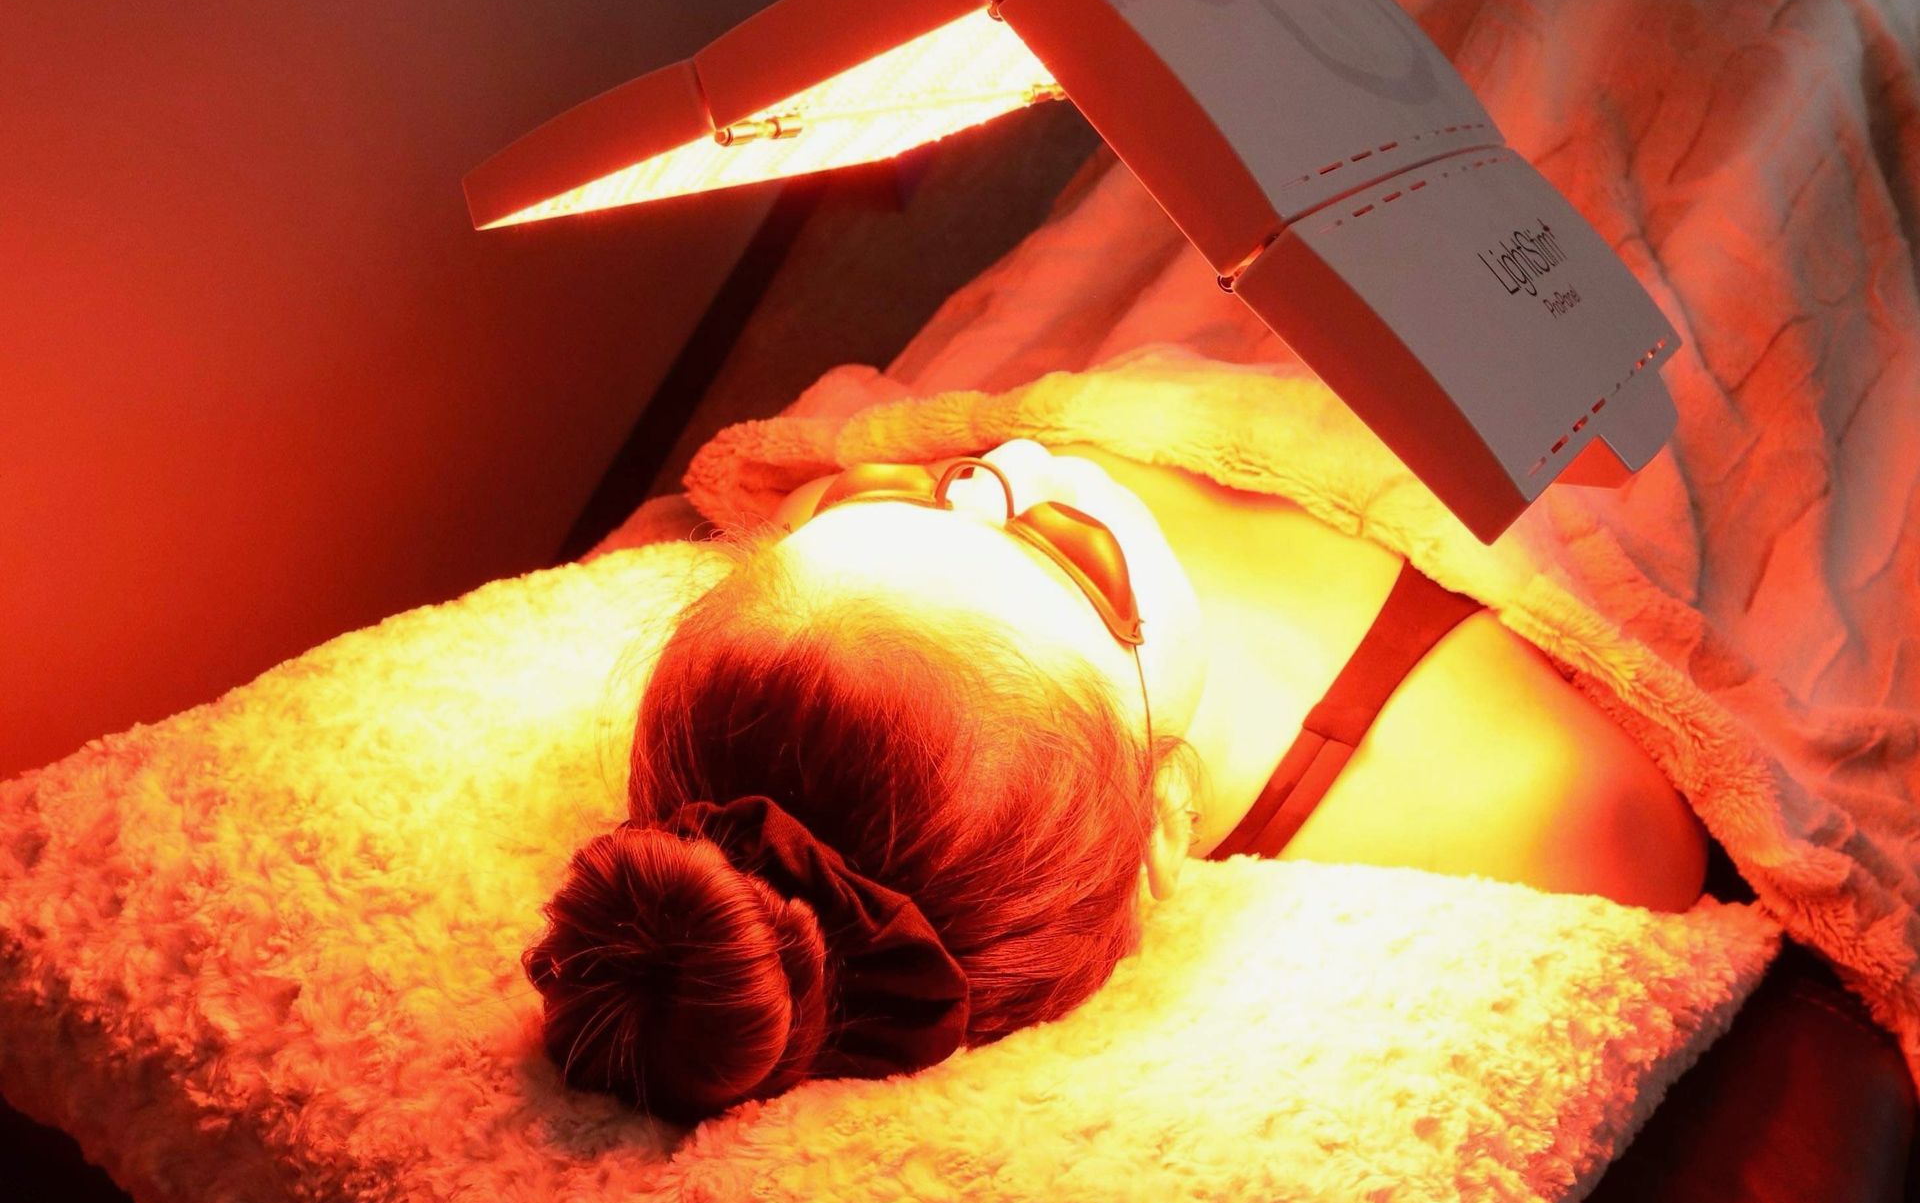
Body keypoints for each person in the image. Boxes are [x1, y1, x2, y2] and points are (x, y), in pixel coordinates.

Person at [525, 440, 1710, 1122]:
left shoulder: (825, 555)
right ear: (1164, 826)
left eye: (907, 483)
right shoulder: (1537, 800)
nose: (1005, 468)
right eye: (1067, 554)